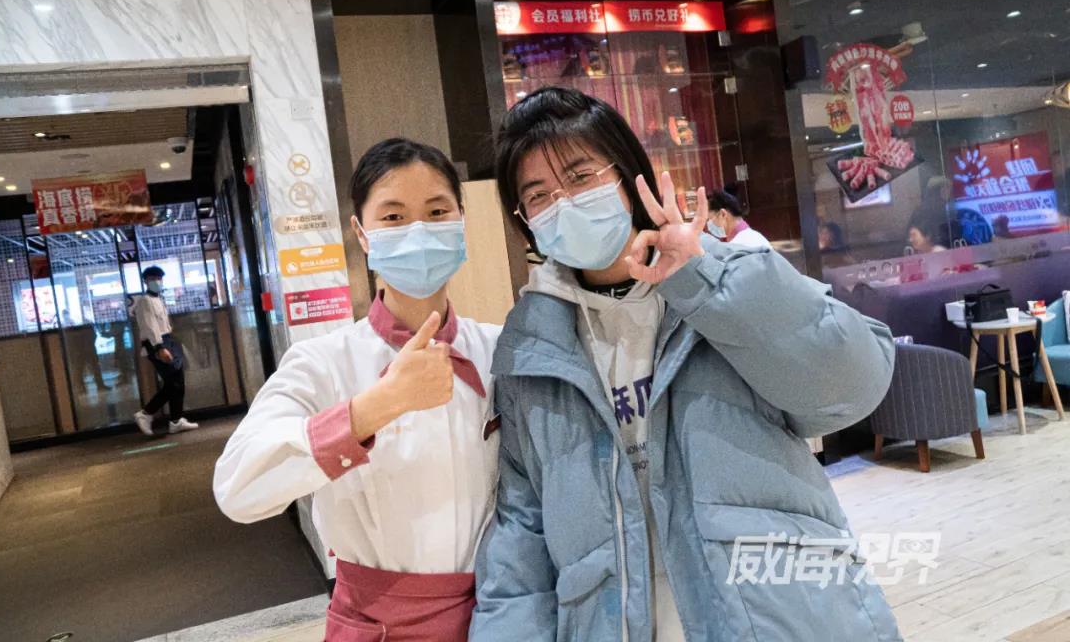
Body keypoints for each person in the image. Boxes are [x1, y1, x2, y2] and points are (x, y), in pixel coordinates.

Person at [471, 87, 900, 641]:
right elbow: (521, 538)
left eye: (580, 177)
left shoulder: (723, 277)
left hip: (776, 620)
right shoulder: (530, 349)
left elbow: (852, 386)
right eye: (539, 196)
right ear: (524, 219)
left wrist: (706, 280)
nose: (565, 203)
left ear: (627, 175)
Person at [213, 138, 501, 641]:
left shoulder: (499, 349)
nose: (418, 230)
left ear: (462, 221)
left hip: (494, 619)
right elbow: (238, 489)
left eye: (437, 212)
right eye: (393, 217)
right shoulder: (321, 363)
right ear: (362, 234)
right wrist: (374, 408)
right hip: (375, 627)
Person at [131, 266, 198, 435]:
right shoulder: (145, 301)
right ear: (145, 281)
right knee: (173, 383)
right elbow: (150, 327)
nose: (156, 281)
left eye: (159, 278)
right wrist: (159, 348)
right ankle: (146, 413)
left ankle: (176, 420)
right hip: (158, 344)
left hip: (167, 341)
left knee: (178, 382)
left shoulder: (158, 299)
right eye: (152, 278)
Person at [706, 185, 772, 249]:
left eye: (709, 219)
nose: (708, 225)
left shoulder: (740, 245)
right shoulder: (752, 236)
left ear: (723, 214)